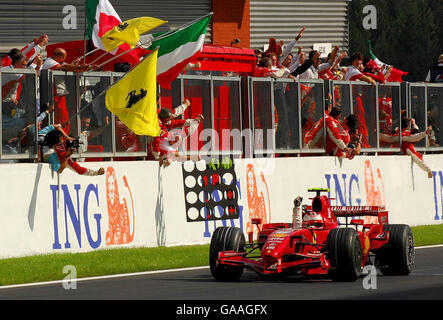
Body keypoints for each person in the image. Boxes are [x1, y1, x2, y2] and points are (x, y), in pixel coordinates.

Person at [41, 48, 99, 135]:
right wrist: (79, 67)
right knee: (60, 121)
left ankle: (64, 139)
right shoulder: (49, 62)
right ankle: (60, 140)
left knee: (65, 121)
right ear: (58, 57)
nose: (64, 61)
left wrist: (88, 67)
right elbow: (64, 67)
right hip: (54, 97)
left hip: (60, 97)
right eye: (63, 58)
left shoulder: (58, 62)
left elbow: (69, 67)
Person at [38, 123, 104, 175]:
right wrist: (66, 157)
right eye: (60, 142)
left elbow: (55, 126)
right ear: (54, 144)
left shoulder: (42, 134)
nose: (63, 141)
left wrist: (66, 136)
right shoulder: (51, 154)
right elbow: (59, 170)